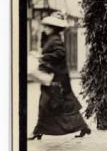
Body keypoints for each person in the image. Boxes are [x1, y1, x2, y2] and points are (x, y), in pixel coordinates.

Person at [29, 12, 91, 140]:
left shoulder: (54, 39)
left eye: (46, 27)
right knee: (64, 104)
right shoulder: (52, 38)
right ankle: (82, 126)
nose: (44, 29)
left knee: (47, 103)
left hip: (56, 79)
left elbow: (60, 53)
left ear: (52, 28)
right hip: (57, 78)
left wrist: (42, 57)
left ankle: (38, 131)